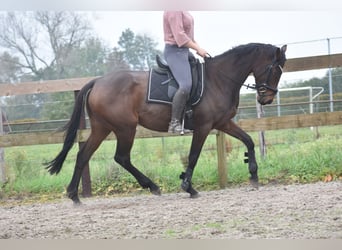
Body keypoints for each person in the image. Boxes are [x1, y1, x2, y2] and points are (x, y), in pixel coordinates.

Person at [163, 11, 208, 134]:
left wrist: (199, 48)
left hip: (185, 51)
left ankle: (189, 115)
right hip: (174, 52)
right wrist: (198, 48)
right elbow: (180, 37)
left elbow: (189, 37)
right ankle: (174, 123)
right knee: (185, 85)